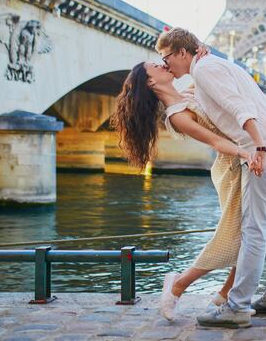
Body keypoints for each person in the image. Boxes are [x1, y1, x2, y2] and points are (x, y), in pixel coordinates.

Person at [156, 28, 266, 329]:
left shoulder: (206, 69)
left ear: (183, 53)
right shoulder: (210, 67)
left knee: (254, 230)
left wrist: (258, 146)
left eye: (166, 57)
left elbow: (240, 108)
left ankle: (237, 306)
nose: (165, 64)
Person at [110, 60, 257, 320]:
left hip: (242, 162)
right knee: (237, 236)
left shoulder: (187, 94)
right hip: (233, 167)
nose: (161, 62)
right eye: (154, 65)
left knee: (249, 235)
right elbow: (214, 140)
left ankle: (224, 294)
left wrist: (200, 55)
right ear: (151, 82)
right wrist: (246, 150)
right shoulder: (176, 115)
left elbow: (201, 77)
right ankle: (179, 284)